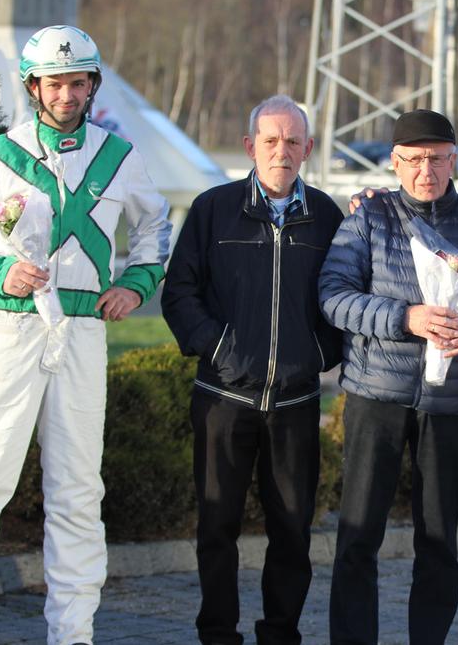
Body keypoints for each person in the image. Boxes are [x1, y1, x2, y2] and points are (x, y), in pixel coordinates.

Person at [0, 24, 171, 645]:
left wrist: (136, 285)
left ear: (92, 86)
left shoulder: (120, 157)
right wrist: (1, 270)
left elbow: (155, 230)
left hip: (82, 334)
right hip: (8, 328)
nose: (67, 94)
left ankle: (74, 631)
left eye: (78, 82)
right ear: (34, 86)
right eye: (56, 83)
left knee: (79, 488)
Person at [161, 94, 344, 645]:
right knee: (217, 526)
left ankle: (280, 633)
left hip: (294, 402)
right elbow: (180, 293)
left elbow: (344, 295)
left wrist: (315, 356)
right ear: (250, 146)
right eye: (270, 140)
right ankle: (218, 633)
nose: (281, 151)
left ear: (307, 149)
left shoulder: (328, 217)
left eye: (292, 142)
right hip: (222, 398)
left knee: (292, 528)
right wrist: (218, 347)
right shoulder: (213, 208)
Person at [319, 109, 458, 645]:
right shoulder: (370, 218)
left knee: (440, 539)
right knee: (358, 534)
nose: (427, 170)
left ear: (454, 160)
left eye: (438, 158)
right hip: (376, 395)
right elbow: (333, 297)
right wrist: (406, 319)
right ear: (395, 163)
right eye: (415, 159)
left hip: (448, 402)